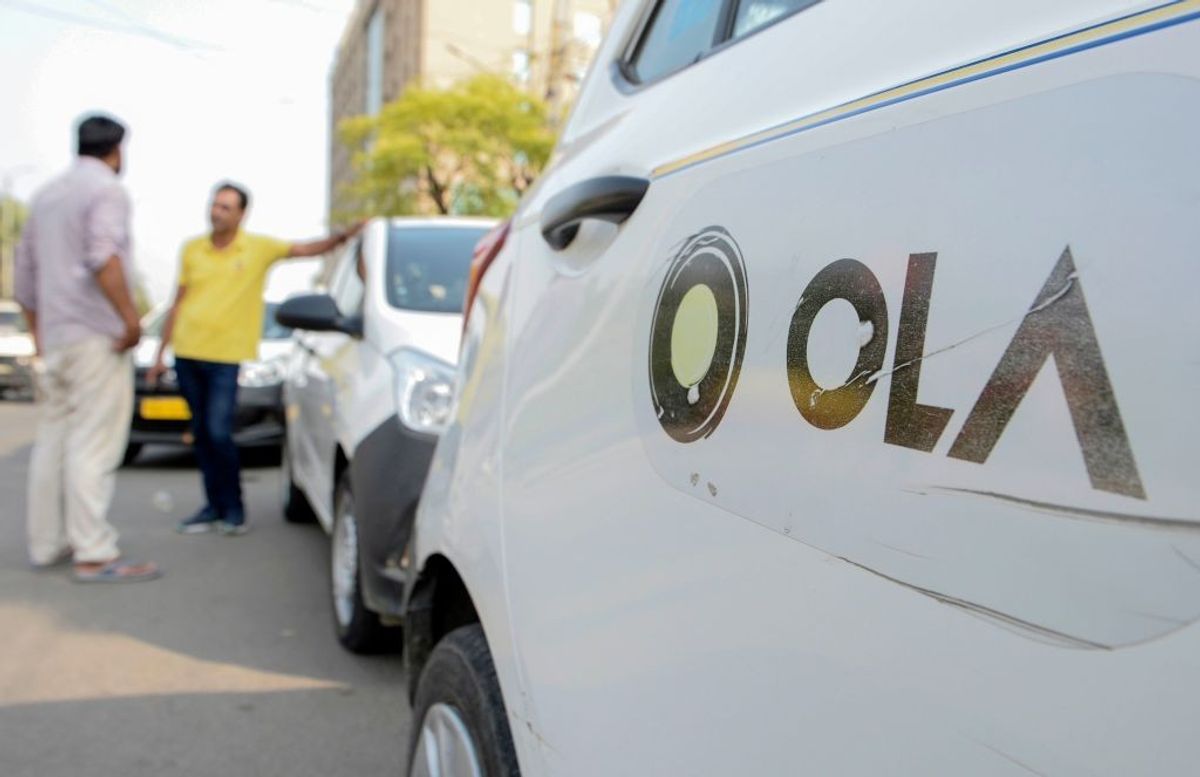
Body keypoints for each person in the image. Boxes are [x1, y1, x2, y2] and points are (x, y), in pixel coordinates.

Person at [148, 182, 362, 535]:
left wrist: (346, 235)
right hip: (187, 353)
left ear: (241, 214)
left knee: (219, 432)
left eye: (226, 207)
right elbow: (178, 300)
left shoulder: (259, 248)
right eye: (214, 205)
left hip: (225, 358)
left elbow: (308, 249)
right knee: (201, 434)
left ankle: (233, 509)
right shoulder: (193, 249)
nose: (217, 212)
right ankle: (212, 506)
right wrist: (160, 354)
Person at [14, 114, 160, 583]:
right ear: (117, 150)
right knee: (92, 444)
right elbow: (103, 256)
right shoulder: (106, 191)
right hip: (97, 337)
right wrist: (131, 320)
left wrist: (40, 335)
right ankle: (93, 552)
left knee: (54, 441)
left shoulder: (45, 197)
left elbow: (24, 278)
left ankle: (48, 542)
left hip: (57, 339)